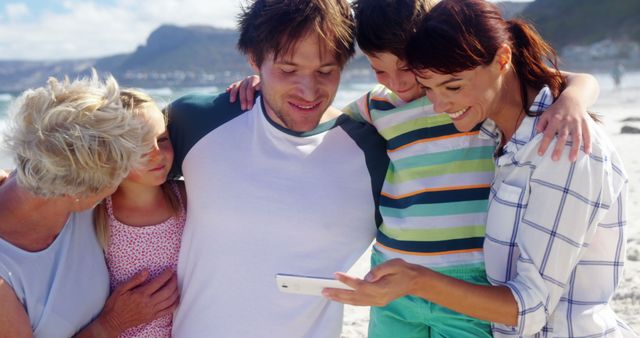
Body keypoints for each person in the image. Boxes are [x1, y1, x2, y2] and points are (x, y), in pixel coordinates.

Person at [228, 0, 600, 336]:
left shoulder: (467, 102)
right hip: (390, 275)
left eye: (407, 68)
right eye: (379, 70)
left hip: (470, 282)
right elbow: (317, 120)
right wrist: (267, 83)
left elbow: (564, 79)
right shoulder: (378, 107)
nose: (398, 84)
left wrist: (573, 100)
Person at [323, 0, 636, 337]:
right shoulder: (487, 126)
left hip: (493, 300)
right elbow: (324, 122)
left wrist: (574, 97)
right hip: (411, 282)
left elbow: (529, 307)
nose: (438, 105)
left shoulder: (547, 141)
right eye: (428, 89)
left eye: (451, 87)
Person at [167, 0, 388, 337]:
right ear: (254, 59)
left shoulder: (372, 153)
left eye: (326, 71)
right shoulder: (195, 121)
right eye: (287, 70)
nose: (309, 91)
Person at [0, 73, 179, 337]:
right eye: (120, 172)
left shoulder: (52, 171)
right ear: (82, 192)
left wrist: (256, 88)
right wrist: (111, 324)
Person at [93, 89, 186, 337]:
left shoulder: (185, 197)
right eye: (140, 146)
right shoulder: (97, 209)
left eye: (163, 139)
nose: (158, 153)